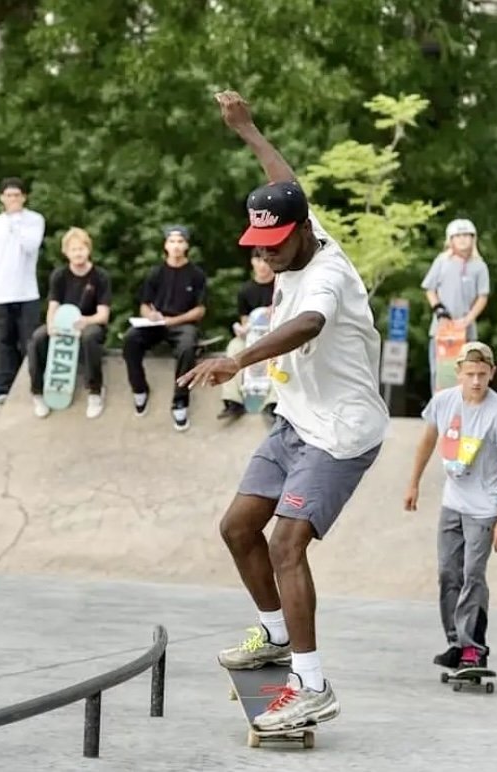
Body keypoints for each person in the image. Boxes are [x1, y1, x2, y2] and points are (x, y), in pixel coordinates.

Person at [177, 90, 387, 732]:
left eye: (273, 246)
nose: (263, 256)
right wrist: (248, 128)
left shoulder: (327, 276)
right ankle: (273, 634)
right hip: (294, 421)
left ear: (302, 235)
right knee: (238, 529)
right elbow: (284, 180)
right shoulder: (300, 219)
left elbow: (307, 324)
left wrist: (236, 360)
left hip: (341, 432)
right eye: (257, 246)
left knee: (285, 544)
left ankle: (312, 684)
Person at [403, 342, 497, 672]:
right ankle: (456, 642)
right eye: (469, 374)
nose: (475, 382)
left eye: (482, 375)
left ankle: (474, 649)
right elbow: (427, 440)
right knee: (448, 574)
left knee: (473, 574)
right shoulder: (444, 402)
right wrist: (413, 482)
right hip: (452, 503)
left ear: (492, 374)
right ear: (458, 373)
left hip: (485, 508)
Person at [123, 225, 207, 432]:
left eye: (180, 241)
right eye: (172, 241)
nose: (176, 246)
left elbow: (200, 310)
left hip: (182, 323)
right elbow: (144, 304)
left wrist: (175, 321)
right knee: (130, 339)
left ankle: (180, 400)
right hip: (156, 322)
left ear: (186, 245)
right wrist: (149, 315)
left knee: (187, 346)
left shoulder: (196, 274)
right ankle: (139, 389)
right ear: (165, 245)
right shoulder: (156, 272)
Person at [26, 227, 113, 419]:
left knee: (90, 337)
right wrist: (51, 325)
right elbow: (53, 305)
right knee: (37, 338)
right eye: (73, 250)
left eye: (81, 249)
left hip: (90, 323)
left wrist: (85, 321)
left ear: (88, 250)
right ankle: (38, 392)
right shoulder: (59, 275)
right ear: (66, 252)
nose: (78, 253)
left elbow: (103, 315)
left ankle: (95, 391)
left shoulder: (100, 276)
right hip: (63, 324)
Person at [0, 177, 45, 403]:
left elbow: (30, 245)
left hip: (27, 292)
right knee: (3, 342)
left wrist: (16, 224)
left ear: (24, 197)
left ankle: (32, 385)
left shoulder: (34, 220)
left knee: (29, 340)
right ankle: (5, 388)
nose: (13, 200)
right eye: (9, 196)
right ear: (1, 198)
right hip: (2, 293)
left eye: (17, 195)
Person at [421, 218, 490, 392]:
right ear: (450, 239)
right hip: (443, 327)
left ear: (473, 239)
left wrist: (469, 318)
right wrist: (439, 310)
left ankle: (463, 412)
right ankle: (438, 411)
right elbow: (429, 288)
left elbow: (483, 296)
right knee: (440, 371)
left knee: (466, 370)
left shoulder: (479, 266)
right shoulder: (442, 261)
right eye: (457, 236)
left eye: (466, 235)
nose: (462, 239)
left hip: (465, 327)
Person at [218, 247, 276, 423]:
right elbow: (245, 321)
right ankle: (232, 401)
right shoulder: (245, 290)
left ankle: (273, 402)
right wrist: (242, 331)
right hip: (253, 337)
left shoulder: (283, 285)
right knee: (234, 346)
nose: (262, 265)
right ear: (252, 262)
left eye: (266, 261)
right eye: (259, 260)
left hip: (277, 337)